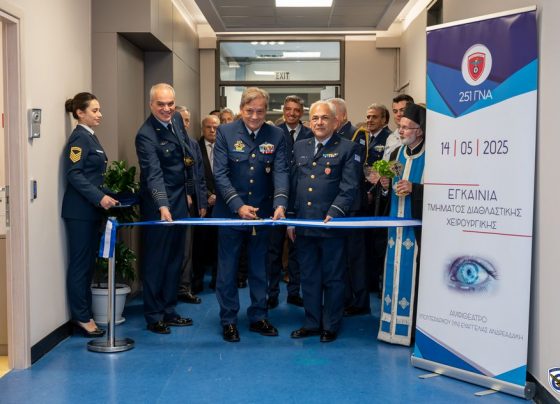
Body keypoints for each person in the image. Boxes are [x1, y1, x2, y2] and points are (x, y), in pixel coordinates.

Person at [213, 87, 289, 342]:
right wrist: (238, 206)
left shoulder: (276, 135)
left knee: (260, 268)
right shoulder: (225, 132)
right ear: (241, 109)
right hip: (230, 213)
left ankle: (259, 316)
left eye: (260, 111)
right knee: (228, 270)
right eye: (249, 111)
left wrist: (280, 203)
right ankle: (228, 320)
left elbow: (281, 172)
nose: (255, 116)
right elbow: (220, 174)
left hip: (262, 214)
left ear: (266, 111)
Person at [288, 100, 361, 343]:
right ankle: (311, 322)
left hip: (331, 225)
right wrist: (291, 221)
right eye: (315, 118)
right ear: (309, 122)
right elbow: (294, 185)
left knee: (333, 277)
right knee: (308, 276)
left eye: (325, 118)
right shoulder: (300, 146)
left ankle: (330, 325)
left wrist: (336, 212)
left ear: (335, 122)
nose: (319, 122)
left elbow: (349, 187)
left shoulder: (348, 148)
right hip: (305, 225)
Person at [135, 83, 194, 334]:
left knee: (174, 259)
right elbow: (153, 174)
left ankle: (169, 310)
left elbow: (186, 158)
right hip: (158, 205)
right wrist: (162, 204)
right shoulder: (146, 135)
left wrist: (190, 193)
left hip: (179, 202)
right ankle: (154, 315)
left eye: (170, 103)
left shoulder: (177, 120)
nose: (167, 109)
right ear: (151, 105)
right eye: (161, 104)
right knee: (156, 261)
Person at [62, 92, 119, 337]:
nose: (100, 114)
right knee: (80, 265)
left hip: (92, 211)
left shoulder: (90, 137)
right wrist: (99, 197)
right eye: (94, 110)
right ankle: (82, 317)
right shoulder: (79, 138)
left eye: (99, 110)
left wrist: (111, 195)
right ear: (80, 113)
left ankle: (85, 314)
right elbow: (74, 174)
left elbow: (94, 177)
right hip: (80, 212)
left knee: (87, 265)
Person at [378, 103, 425, 346]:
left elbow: (444, 193)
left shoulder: (433, 155)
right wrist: (385, 186)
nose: (402, 131)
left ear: (420, 131)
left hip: (418, 232)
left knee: (415, 275)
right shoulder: (396, 153)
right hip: (395, 228)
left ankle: (413, 330)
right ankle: (390, 325)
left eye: (407, 127)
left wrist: (414, 188)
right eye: (401, 127)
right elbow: (388, 187)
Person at [344, 103, 392, 316]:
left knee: (374, 246)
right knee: (364, 247)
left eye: (375, 117)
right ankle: (369, 284)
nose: (370, 120)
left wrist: (372, 190)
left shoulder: (389, 139)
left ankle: (375, 285)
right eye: (368, 116)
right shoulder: (363, 137)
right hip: (363, 198)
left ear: (384, 120)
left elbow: (387, 171)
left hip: (379, 199)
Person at [267, 95, 312, 309]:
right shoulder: (273, 133)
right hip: (276, 199)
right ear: (283, 111)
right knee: (273, 250)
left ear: (301, 112)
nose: (292, 113)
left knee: (298, 251)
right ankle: (272, 293)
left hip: (301, 199)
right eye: (288, 109)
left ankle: (294, 292)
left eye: (296, 110)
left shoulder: (310, 134)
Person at [175, 110, 208, 304]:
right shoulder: (169, 142)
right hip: (173, 204)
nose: (185, 124)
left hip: (191, 205)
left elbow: (199, 176)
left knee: (188, 249)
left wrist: (202, 202)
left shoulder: (193, 144)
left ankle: (184, 288)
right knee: (173, 250)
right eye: (182, 120)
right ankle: (170, 289)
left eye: (187, 120)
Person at [192, 115, 220, 291]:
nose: (212, 130)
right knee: (199, 245)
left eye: (215, 127)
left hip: (222, 202)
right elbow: (194, 175)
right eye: (209, 127)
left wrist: (218, 195)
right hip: (202, 204)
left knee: (219, 244)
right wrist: (208, 195)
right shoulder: (195, 147)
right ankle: (197, 281)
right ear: (202, 128)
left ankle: (217, 280)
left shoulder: (224, 147)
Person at [383, 94, 414, 161]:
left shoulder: (415, 137)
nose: (398, 114)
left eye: (402, 110)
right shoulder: (390, 138)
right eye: (395, 111)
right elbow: (385, 161)